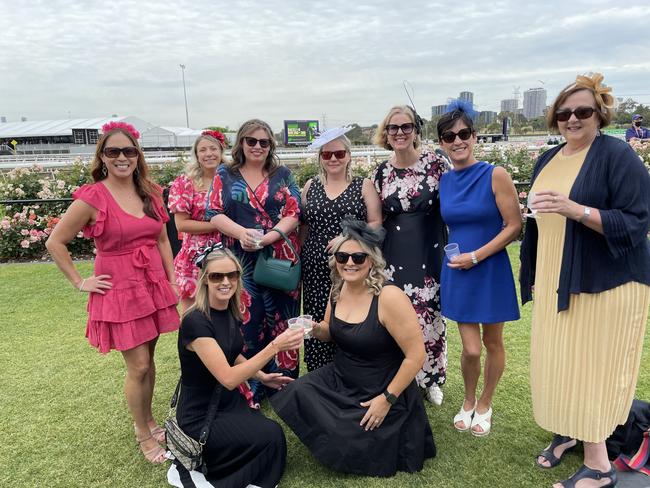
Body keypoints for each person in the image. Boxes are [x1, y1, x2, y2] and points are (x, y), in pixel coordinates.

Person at [520, 73, 650, 488]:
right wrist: (538, 273)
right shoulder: (549, 159)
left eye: (582, 112)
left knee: (592, 369)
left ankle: (599, 466)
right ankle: (569, 430)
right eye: (564, 113)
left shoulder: (617, 156)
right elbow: (541, 226)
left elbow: (636, 223)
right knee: (559, 363)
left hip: (608, 281)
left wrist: (575, 209)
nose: (572, 119)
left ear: (600, 114)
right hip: (558, 277)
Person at [45, 121, 180, 464]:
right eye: (113, 151)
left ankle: (149, 421)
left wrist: (172, 279)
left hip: (150, 285)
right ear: (102, 156)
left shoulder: (149, 191)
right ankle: (141, 432)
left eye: (128, 151)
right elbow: (55, 241)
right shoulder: (92, 197)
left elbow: (162, 238)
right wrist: (80, 281)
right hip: (118, 288)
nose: (122, 157)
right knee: (137, 366)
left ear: (137, 155)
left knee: (149, 362)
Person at [271, 219, 436, 477]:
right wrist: (313, 328)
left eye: (358, 257)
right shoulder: (338, 288)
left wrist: (386, 399)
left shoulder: (389, 297)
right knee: (297, 391)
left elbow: (416, 356)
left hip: (380, 385)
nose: (349, 263)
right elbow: (328, 331)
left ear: (371, 260)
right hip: (342, 375)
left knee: (347, 435)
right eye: (342, 256)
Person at [167, 244, 303, 488]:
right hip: (200, 413)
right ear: (205, 279)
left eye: (232, 275)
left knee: (269, 435)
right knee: (271, 436)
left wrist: (262, 377)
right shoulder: (196, 321)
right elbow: (228, 378)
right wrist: (274, 347)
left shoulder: (227, 310)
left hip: (227, 402)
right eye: (217, 276)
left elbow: (231, 352)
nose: (225, 282)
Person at [437, 100, 521, 437]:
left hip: (488, 267)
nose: (457, 141)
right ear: (441, 142)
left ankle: (485, 402)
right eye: (449, 136)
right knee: (470, 348)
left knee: (493, 342)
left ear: (474, 137)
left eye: (464, 133)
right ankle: (468, 400)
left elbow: (513, 226)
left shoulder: (495, 174)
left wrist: (477, 256)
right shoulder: (444, 181)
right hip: (458, 270)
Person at [208, 119, 301, 404]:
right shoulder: (225, 174)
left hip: (279, 259)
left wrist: (270, 236)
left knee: (284, 321)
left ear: (271, 145)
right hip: (240, 262)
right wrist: (242, 233)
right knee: (247, 322)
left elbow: (294, 212)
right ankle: (252, 387)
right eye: (251, 141)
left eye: (264, 142)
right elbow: (213, 211)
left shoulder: (282, 174)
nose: (258, 147)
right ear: (241, 143)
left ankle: (285, 384)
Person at [372, 105, 449, 405]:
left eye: (406, 127)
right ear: (386, 133)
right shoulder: (381, 172)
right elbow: (375, 218)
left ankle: (432, 380)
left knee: (431, 316)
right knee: (397, 318)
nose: (400, 133)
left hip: (428, 251)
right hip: (393, 254)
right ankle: (400, 378)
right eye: (394, 128)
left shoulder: (436, 163)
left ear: (416, 130)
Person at [299, 127, 382, 371]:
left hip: (351, 264)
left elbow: (376, 223)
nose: (333, 159)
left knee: (350, 315)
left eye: (339, 153)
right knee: (317, 316)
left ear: (348, 155)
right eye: (327, 155)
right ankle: (319, 371)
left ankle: (352, 370)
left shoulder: (363, 185)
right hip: (315, 267)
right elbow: (303, 227)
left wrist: (347, 237)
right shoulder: (310, 186)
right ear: (320, 159)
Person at [168, 130, 225, 312]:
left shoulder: (231, 180)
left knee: (224, 309)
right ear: (197, 155)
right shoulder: (185, 183)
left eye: (213, 149)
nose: (209, 153)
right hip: (195, 256)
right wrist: (220, 224)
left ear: (221, 152)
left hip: (227, 252)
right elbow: (182, 224)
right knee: (192, 311)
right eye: (203, 150)